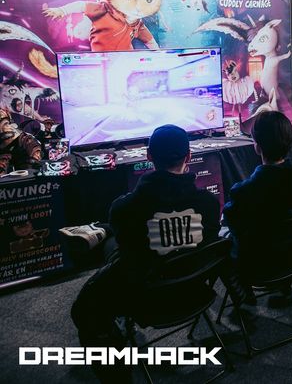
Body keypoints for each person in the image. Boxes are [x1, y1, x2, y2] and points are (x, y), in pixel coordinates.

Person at [71, 125, 222, 383]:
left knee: (84, 310)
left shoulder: (125, 209)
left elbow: (129, 254)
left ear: (149, 156)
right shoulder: (208, 204)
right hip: (193, 290)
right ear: (188, 156)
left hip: (146, 298)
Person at [221, 110, 292, 279]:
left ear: (257, 147)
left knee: (220, 236)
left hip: (256, 260)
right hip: (290, 252)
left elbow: (231, 222)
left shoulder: (243, 191)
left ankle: (240, 289)